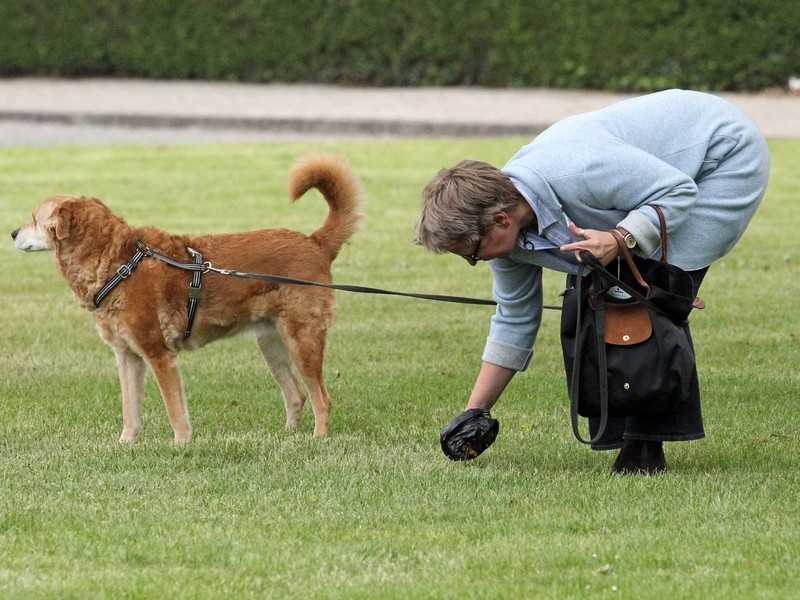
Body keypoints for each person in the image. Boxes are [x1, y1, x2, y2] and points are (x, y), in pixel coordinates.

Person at [416, 89, 769, 474]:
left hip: (722, 156)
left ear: (500, 220)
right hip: (667, 179)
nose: (474, 261)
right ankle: (626, 439)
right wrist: (475, 411)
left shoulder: (577, 169)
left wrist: (621, 238)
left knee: (645, 293)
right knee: (600, 295)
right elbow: (515, 317)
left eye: (471, 251)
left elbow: (678, 189)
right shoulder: (507, 237)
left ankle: (643, 452)